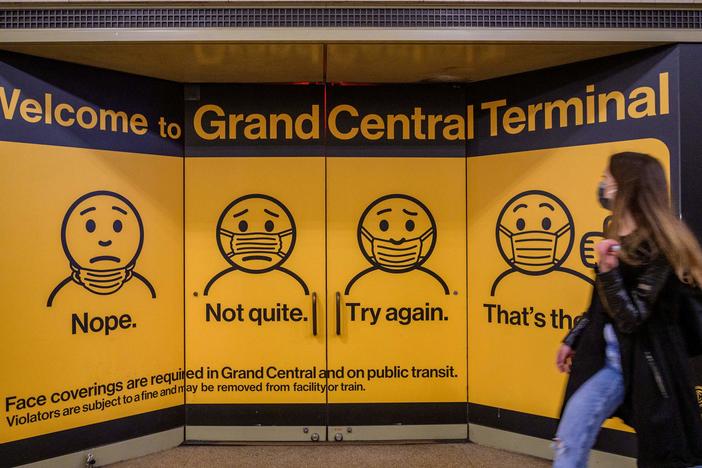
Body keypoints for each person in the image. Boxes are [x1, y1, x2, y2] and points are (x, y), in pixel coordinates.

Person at [553, 152, 702, 468]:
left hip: (649, 364)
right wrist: (573, 338)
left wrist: (608, 271)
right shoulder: (616, 236)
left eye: (608, 177)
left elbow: (632, 318)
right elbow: (599, 306)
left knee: (669, 453)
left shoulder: (663, 245)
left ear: (625, 187)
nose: (603, 184)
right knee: (570, 436)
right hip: (609, 363)